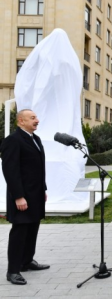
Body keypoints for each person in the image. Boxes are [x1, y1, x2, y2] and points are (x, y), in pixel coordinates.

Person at [1, 109, 49, 285]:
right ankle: (13, 271)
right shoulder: (12, 141)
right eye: (33, 118)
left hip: (35, 195)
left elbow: (38, 168)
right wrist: (19, 196)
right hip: (21, 197)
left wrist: (42, 189)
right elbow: (10, 171)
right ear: (21, 121)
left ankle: (27, 261)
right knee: (19, 232)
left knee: (33, 229)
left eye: (36, 117)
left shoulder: (35, 139)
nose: (37, 120)